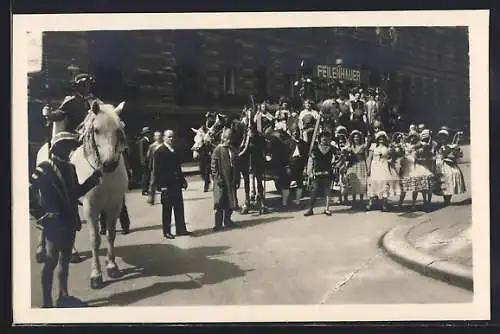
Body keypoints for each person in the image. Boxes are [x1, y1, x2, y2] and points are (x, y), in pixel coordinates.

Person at [29, 131, 102, 308]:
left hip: (69, 221)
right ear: (56, 147)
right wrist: (40, 215)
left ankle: (63, 295)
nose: (69, 150)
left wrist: (93, 180)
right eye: (66, 146)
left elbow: (75, 192)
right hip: (53, 223)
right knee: (51, 261)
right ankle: (47, 301)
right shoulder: (44, 168)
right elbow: (29, 194)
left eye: (70, 146)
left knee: (64, 260)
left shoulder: (71, 168)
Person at [150, 130, 191, 239]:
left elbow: (178, 168)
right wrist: (161, 185)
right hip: (166, 185)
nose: (171, 139)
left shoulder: (175, 150)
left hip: (176, 184)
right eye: (169, 137)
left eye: (173, 137)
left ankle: (181, 229)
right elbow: (157, 171)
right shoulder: (160, 152)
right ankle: (167, 231)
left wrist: (183, 181)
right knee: (167, 210)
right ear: (164, 138)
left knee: (179, 207)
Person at [398, 130, 435, 211]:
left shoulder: (419, 145)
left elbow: (428, 146)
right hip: (406, 166)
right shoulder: (405, 145)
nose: (412, 139)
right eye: (411, 137)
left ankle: (414, 204)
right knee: (403, 188)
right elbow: (400, 152)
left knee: (415, 187)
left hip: (414, 166)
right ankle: (400, 203)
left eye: (414, 137)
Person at [211, 128, 239, 231]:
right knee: (220, 203)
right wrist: (218, 179)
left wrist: (236, 178)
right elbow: (214, 167)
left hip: (230, 179)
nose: (229, 140)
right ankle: (218, 224)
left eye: (230, 138)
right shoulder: (218, 149)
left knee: (229, 202)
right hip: (221, 181)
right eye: (227, 138)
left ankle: (228, 220)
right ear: (223, 138)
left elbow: (235, 164)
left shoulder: (232, 149)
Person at [366, 131, 401, 211]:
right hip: (375, 166)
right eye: (380, 138)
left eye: (383, 138)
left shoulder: (387, 147)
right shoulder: (373, 146)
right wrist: (368, 169)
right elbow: (369, 158)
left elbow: (391, 157)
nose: (381, 139)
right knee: (373, 182)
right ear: (377, 139)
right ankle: (370, 203)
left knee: (385, 183)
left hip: (384, 166)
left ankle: (384, 204)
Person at [304, 131, 335, 216]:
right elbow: (311, 161)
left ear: (329, 139)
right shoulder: (314, 149)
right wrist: (309, 172)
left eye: (326, 137)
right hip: (317, 173)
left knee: (327, 191)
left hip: (328, 173)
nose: (324, 139)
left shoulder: (332, 149)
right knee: (314, 191)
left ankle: (327, 209)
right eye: (323, 137)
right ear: (320, 139)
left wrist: (336, 165)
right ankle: (310, 209)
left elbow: (339, 157)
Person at [433, 127, 466, 205]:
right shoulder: (437, 146)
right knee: (443, 181)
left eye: (444, 137)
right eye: (441, 137)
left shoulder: (451, 146)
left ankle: (447, 200)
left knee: (449, 179)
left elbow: (456, 155)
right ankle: (445, 198)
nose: (442, 138)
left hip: (448, 164)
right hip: (440, 165)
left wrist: (452, 155)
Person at [192, 112, 217, 192]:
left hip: (211, 151)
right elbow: (199, 135)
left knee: (208, 169)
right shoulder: (203, 127)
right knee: (202, 169)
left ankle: (207, 185)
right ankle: (208, 182)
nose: (209, 119)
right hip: (203, 151)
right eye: (208, 117)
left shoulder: (216, 127)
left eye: (211, 117)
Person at [343, 130, 369, 208]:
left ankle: (361, 200)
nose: (356, 138)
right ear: (352, 138)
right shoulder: (350, 146)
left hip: (361, 164)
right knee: (353, 182)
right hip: (353, 164)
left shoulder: (363, 146)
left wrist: (368, 167)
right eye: (354, 137)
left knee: (361, 182)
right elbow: (345, 155)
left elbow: (366, 157)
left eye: (357, 137)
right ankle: (354, 201)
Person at [145, 131, 163, 204]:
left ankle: (164, 199)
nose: (158, 137)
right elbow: (148, 156)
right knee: (152, 183)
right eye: (156, 136)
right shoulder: (152, 146)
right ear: (154, 137)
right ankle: (151, 199)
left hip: (163, 167)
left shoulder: (163, 145)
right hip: (154, 167)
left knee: (163, 184)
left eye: (159, 136)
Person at [137, 126, 152, 195]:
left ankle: (147, 189)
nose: (149, 134)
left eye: (149, 133)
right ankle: (144, 190)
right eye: (148, 133)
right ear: (145, 134)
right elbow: (141, 152)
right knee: (145, 176)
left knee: (148, 175)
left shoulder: (148, 141)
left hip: (148, 161)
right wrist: (142, 161)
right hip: (145, 161)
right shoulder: (143, 141)